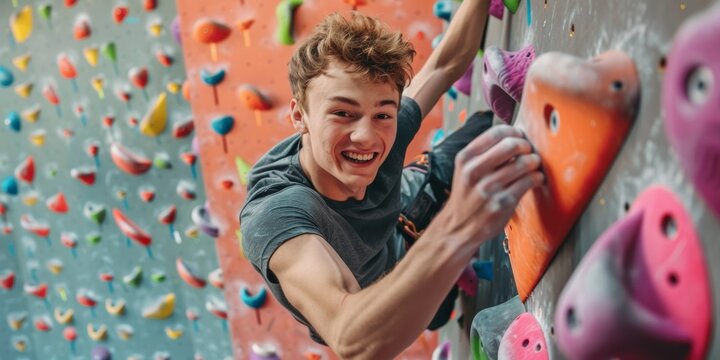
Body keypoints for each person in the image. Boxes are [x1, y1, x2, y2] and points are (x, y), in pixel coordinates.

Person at [240, 1, 544, 358]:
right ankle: (449, 272)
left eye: (383, 114)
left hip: (407, 207)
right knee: (437, 310)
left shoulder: (386, 123)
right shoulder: (276, 215)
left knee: (486, 128)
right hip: (381, 293)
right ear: (298, 115)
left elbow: (444, 64)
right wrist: (458, 226)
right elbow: (353, 339)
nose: (366, 137)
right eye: (342, 113)